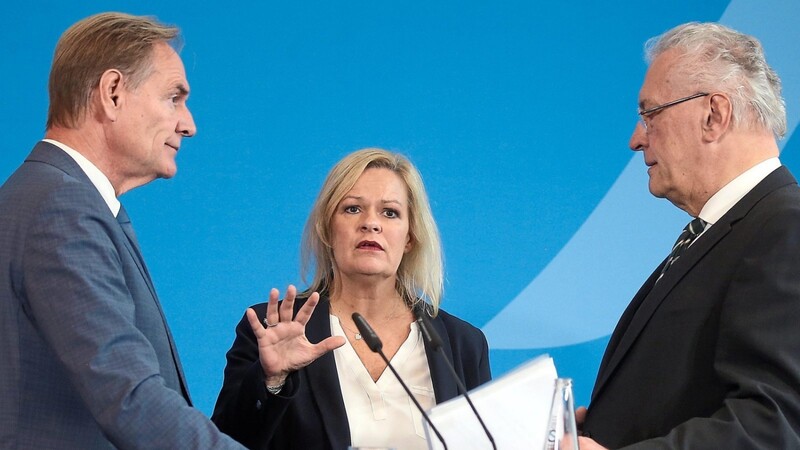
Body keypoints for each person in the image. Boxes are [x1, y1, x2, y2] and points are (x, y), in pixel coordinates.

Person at [0, 12, 243, 448]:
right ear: (112, 93)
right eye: (174, 98)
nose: (188, 124)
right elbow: (130, 399)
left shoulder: (51, 197)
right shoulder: (61, 207)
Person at [578, 22, 800, 449]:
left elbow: (775, 424)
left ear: (713, 115)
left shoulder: (785, 229)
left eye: (650, 114)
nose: (635, 139)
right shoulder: (721, 232)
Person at [212, 148, 491, 449]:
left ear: (410, 237)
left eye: (390, 212)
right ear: (328, 230)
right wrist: (271, 380)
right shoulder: (275, 328)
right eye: (353, 209)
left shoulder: (462, 344)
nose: (371, 223)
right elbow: (224, 441)